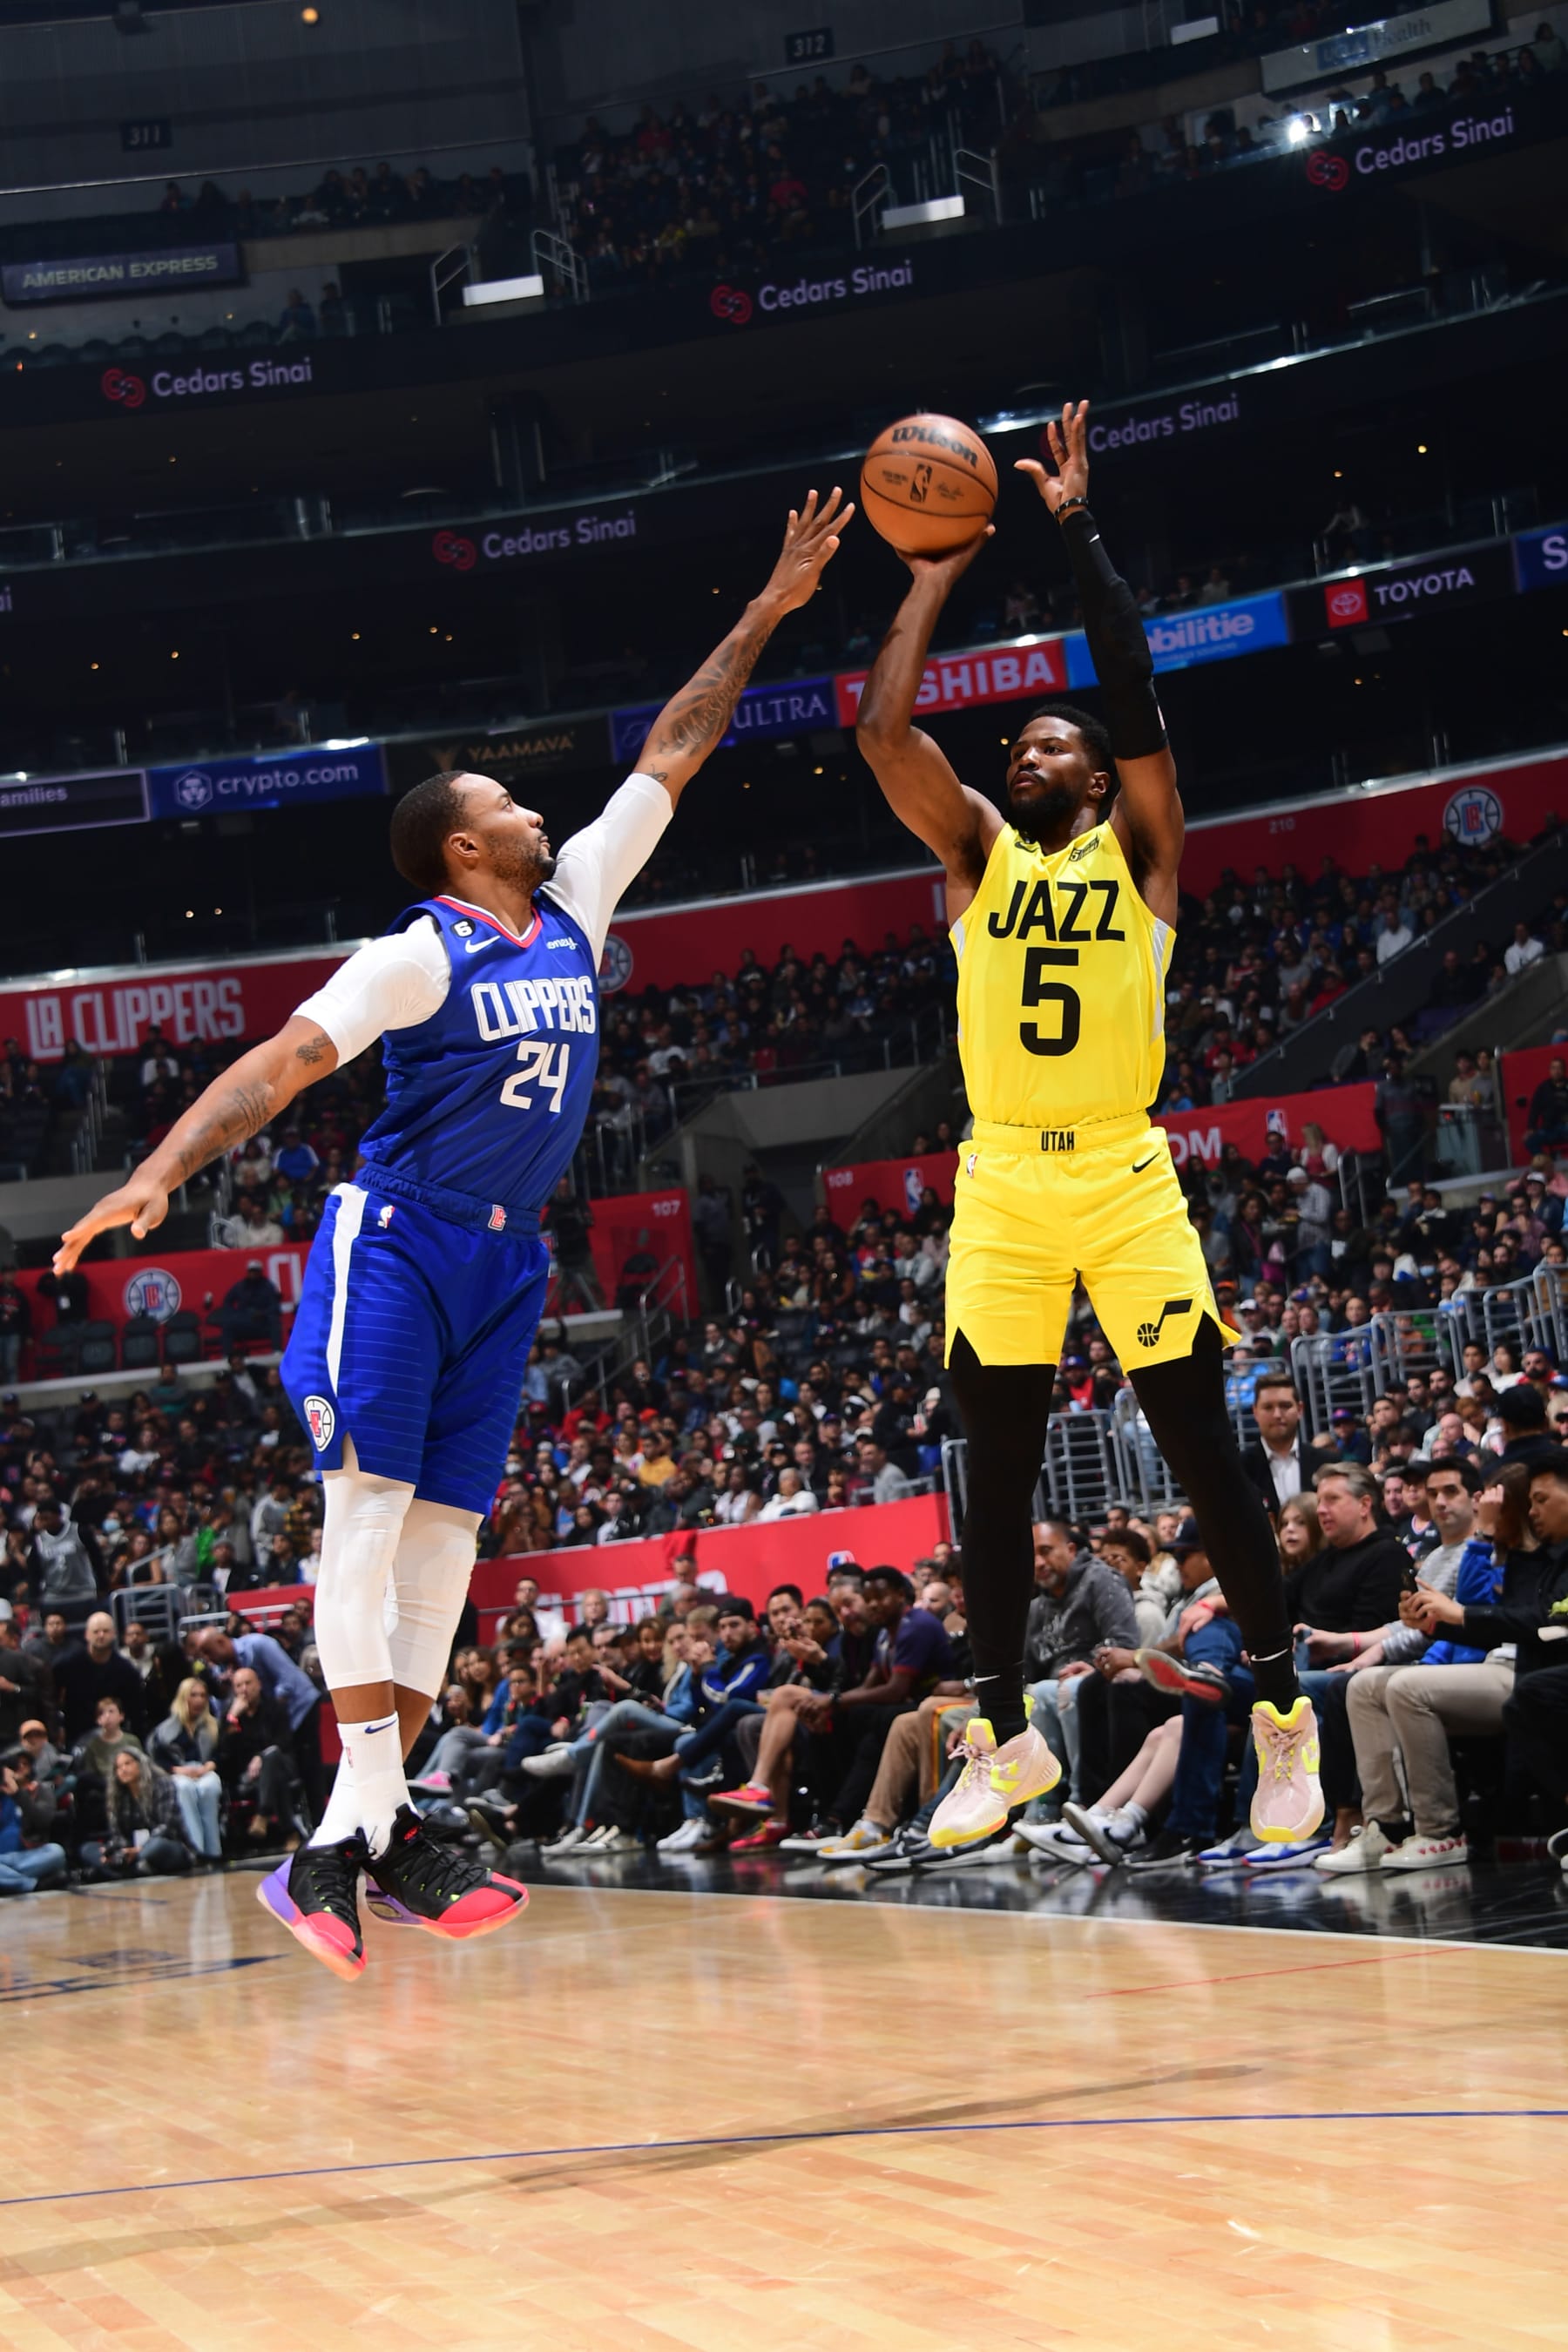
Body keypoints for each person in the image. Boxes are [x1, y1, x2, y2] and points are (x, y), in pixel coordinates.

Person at [54, 483, 851, 1981]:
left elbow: (677, 746)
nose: (544, 813)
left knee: (446, 1549)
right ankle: (384, 1821)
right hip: (399, 1241)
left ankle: (344, 1848)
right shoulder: (417, 953)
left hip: (507, 1255)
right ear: (465, 846)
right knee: (366, 1522)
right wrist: (159, 1172)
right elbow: (285, 1063)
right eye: (512, 806)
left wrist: (768, 610)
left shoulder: (579, 903)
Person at [853, 396, 1318, 1855]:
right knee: (991, 1470)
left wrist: (1073, 525)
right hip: (1000, 1182)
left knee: (1201, 1451)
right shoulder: (976, 854)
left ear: (1102, 778)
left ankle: (1284, 1714)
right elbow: (881, 732)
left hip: (1122, 1170)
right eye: (1021, 742)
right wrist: (929, 580)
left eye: (1053, 742)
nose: (1028, 751)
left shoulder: (1144, 851)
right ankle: (1002, 1741)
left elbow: (1133, 683)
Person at [148, 1675, 225, 1861]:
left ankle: (214, 1850)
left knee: (210, 1787)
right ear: (183, 1697)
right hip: (178, 1772)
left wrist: (209, 1766)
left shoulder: (213, 1726)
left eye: (202, 1695)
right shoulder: (165, 1730)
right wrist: (178, 1770)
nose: (199, 1700)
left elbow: (223, 1753)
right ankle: (197, 1850)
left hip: (205, 1770)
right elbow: (157, 1760)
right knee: (184, 1788)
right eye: (193, 1695)